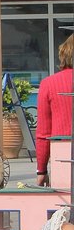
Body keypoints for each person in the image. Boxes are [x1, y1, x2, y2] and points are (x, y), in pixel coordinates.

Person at [37, 33, 74, 187]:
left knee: (63, 199)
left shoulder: (48, 84)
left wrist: (41, 170)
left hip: (62, 157)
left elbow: (43, 133)